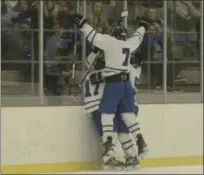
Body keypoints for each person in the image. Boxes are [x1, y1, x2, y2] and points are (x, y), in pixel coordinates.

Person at [72, 13, 150, 167]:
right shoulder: (129, 44)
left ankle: (108, 142)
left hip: (113, 83)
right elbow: (138, 37)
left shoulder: (109, 42)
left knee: (106, 113)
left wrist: (83, 24)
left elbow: (93, 36)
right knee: (127, 114)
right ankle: (140, 138)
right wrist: (143, 26)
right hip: (126, 85)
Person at [84, 42, 148, 170]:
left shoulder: (95, 73)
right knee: (121, 134)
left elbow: (88, 63)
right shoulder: (133, 70)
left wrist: (97, 50)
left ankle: (110, 159)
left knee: (111, 133)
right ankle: (131, 157)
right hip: (127, 105)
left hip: (102, 106)